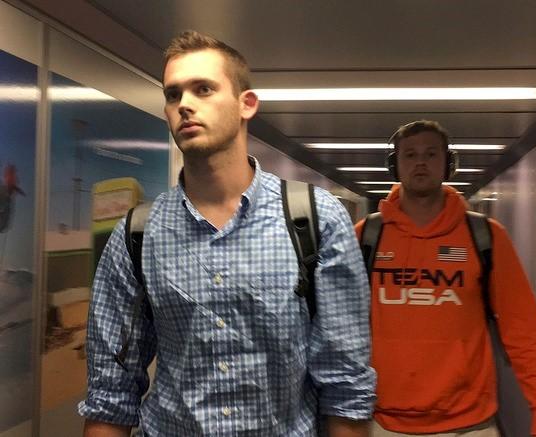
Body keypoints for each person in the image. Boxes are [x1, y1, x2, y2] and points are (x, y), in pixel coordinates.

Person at [79, 30, 375, 437]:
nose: (184, 105)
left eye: (203, 89)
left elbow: (345, 386)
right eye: (173, 94)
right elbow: (111, 392)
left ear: (246, 104)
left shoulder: (315, 220)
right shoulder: (137, 235)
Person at [355, 120, 536, 437]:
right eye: (410, 155)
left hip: (469, 423)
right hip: (382, 422)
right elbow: (336, 330)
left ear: (448, 164)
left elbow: (525, 332)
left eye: (431, 154)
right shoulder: (367, 237)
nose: (420, 162)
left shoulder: (485, 236)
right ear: (394, 165)